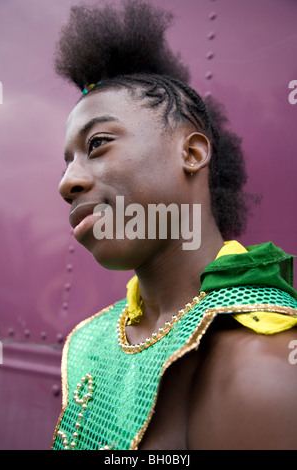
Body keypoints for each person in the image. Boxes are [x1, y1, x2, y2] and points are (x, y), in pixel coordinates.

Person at [52, 0, 297, 450]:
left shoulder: (263, 364)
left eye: (98, 143)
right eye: (67, 162)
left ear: (192, 153)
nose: (68, 182)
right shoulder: (89, 341)